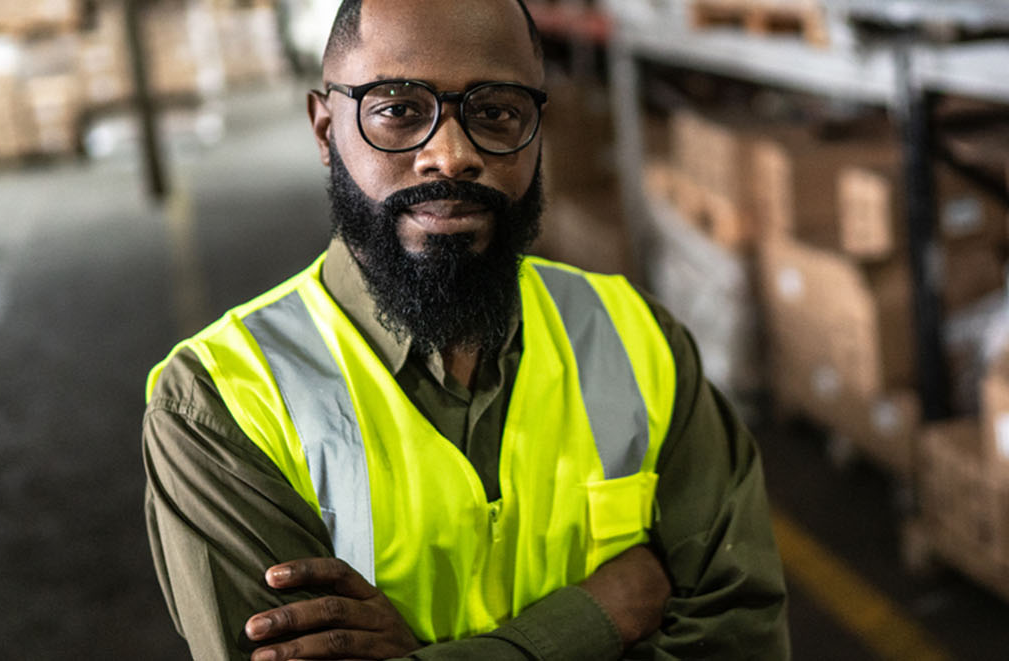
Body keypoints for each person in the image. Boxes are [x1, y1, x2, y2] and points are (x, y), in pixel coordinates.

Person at [141, 1, 789, 659]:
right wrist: (593, 616)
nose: (449, 156)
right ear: (323, 128)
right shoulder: (220, 406)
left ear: (537, 132)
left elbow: (738, 637)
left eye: (495, 112)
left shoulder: (639, 340)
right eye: (396, 110)